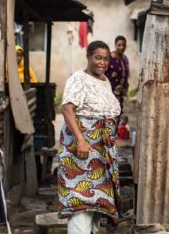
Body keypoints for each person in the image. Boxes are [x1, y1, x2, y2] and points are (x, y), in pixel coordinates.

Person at [58, 40, 122, 233]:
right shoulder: (78, 79)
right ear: (88, 57)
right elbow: (67, 108)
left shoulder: (105, 81)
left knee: (97, 200)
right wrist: (81, 140)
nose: (102, 63)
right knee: (80, 198)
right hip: (81, 151)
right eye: (97, 58)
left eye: (106, 59)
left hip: (101, 152)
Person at [105, 36, 129, 114]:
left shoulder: (125, 59)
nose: (121, 47)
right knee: (109, 114)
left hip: (120, 94)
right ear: (115, 45)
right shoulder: (109, 57)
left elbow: (126, 74)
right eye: (119, 45)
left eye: (123, 45)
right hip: (109, 93)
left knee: (118, 114)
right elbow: (103, 73)